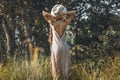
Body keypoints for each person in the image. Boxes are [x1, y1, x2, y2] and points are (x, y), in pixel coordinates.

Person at [42, 4, 76, 80]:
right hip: (64, 46)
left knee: (57, 67)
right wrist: (64, 14)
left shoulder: (52, 23)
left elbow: (44, 13)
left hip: (56, 46)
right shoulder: (65, 23)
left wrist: (54, 16)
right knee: (65, 66)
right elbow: (73, 13)